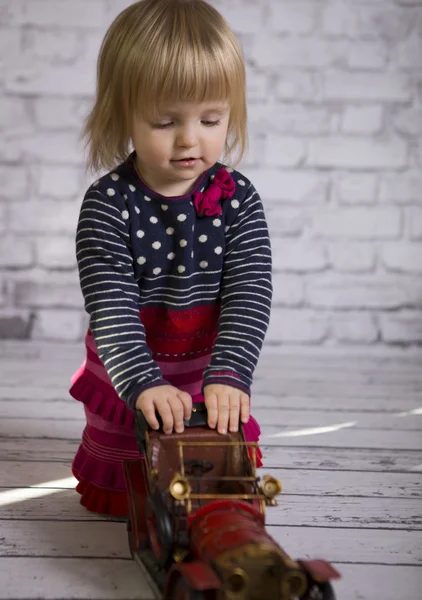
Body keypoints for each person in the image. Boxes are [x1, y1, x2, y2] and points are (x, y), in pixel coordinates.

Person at [70, 0, 273, 517]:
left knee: (214, 465)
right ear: (123, 117)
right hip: (131, 362)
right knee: (128, 471)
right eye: (164, 121)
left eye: (211, 119)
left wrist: (229, 373)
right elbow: (111, 308)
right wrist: (142, 382)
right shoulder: (108, 204)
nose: (190, 139)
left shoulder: (238, 198)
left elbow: (249, 292)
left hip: (206, 362)